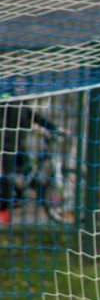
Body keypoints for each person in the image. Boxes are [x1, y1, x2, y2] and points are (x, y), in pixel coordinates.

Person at [0, 76, 61, 225]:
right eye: (18, 83)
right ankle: (3, 212)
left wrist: (54, 128)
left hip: (19, 146)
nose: (21, 86)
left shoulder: (22, 102)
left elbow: (34, 117)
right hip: (5, 147)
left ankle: (48, 202)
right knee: (7, 177)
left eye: (23, 83)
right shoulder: (5, 101)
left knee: (30, 172)